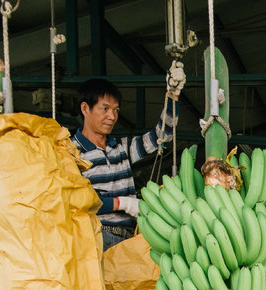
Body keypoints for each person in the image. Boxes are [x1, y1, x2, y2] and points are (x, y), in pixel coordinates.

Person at [72, 60, 186, 250]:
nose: (112, 116)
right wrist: (122, 203)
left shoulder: (122, 148)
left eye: (116, 110)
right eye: (105, 108)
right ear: (85, 108)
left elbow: (162, 134)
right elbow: (74, 201)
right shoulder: (71, 151)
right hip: (95, 239)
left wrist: (173, 95)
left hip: (129, 240)